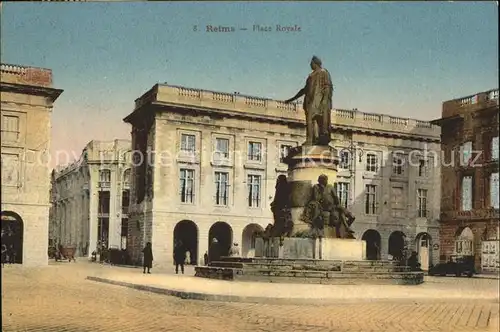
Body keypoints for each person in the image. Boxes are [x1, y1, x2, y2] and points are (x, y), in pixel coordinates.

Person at [284, 56, 333, 146]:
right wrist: (291, 99)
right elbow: (304, 90)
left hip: (318, 101)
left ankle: (314, 139)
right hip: (310, 101)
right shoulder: (310, 76)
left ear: (315, 63)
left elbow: (327, 87)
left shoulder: (323, 72)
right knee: (310, 121)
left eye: (311, 63)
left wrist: (324, 101)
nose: (310, 65)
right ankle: (311, 139)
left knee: (317, 121)